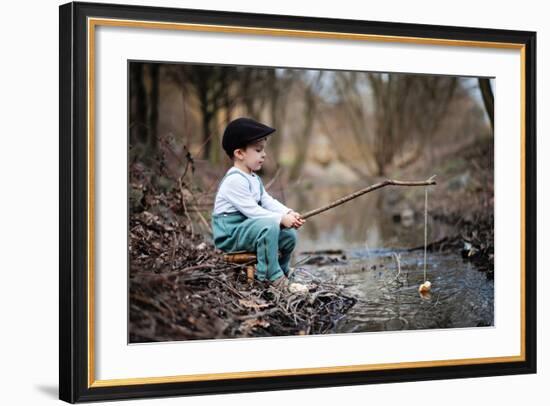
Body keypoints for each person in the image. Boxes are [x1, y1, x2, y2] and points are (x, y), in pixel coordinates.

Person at [211, 117, 306, 290]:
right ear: (239, 153)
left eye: (263, 150)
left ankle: (282, 270)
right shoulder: (234, 180)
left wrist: (289, 213)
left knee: (289, 235)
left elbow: (267, 201)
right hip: (231, 235)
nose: (264, 154)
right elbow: (253, 211)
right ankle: (271, 276)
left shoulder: (253, 178)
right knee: (269, 226)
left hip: (247, 229)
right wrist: (280, 219)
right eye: (258, 150)